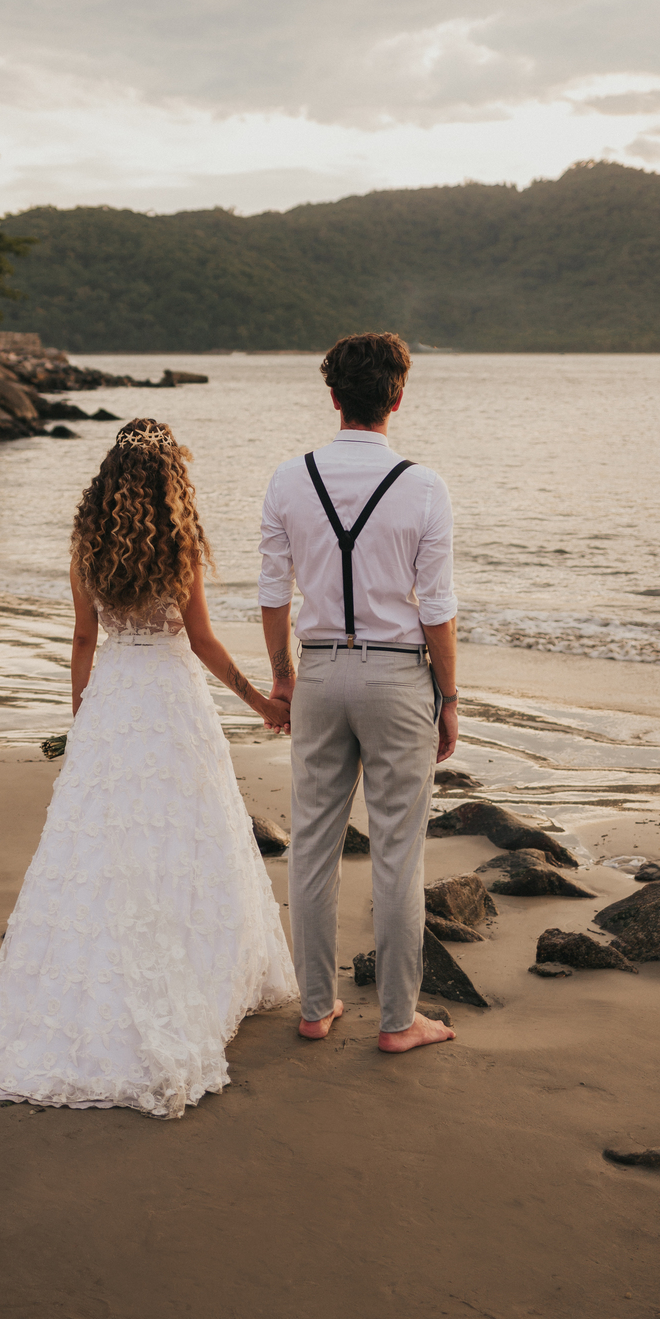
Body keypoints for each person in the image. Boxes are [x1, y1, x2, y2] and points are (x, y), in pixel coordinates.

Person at [0, 420, 297, 1119]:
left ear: (103, 488)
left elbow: (82, 639)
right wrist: (259, 700)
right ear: (171, 487)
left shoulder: (86, 547)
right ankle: (198, 972)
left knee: (100, 848)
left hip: (113, 702)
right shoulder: (180, 543)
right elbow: (201, 639)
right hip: (171, 701)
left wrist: (83, 724)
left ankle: (93, 985)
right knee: (188, 837)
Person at [259, 333, 459, 1054]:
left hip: (317, 670)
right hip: (397, 676)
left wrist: (282, 675)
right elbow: (435, 607)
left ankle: (316, 1008)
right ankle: (400, 1023)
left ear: (334, 397)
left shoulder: (289, 479)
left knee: (311, 844)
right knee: (398, 853)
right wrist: (451, 695)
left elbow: (271, 592)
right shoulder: (425, 486)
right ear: (397, 397)